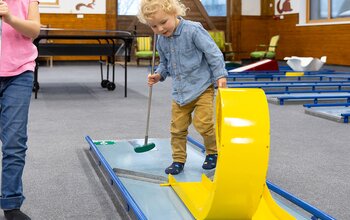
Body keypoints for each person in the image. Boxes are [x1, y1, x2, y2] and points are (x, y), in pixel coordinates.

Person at [138, 0, 227, 175]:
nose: (160, 29)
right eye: (154, 26)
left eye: (163, 22)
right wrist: (158, 75)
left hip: (202, 87)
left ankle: (213, 152)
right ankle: (178, 159)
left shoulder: (193, 30)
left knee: (204, 124)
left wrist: (220, 76)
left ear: (174, 13)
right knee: (177, 128)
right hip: (180, 92)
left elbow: (213, 53)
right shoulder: (161, 41)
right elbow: (164, 64)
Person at [0, 0, 40, 219]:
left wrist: (10, 19)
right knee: (8, 135)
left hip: (19, 73)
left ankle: (11, 203)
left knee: (14, 142)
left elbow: (34, 29)